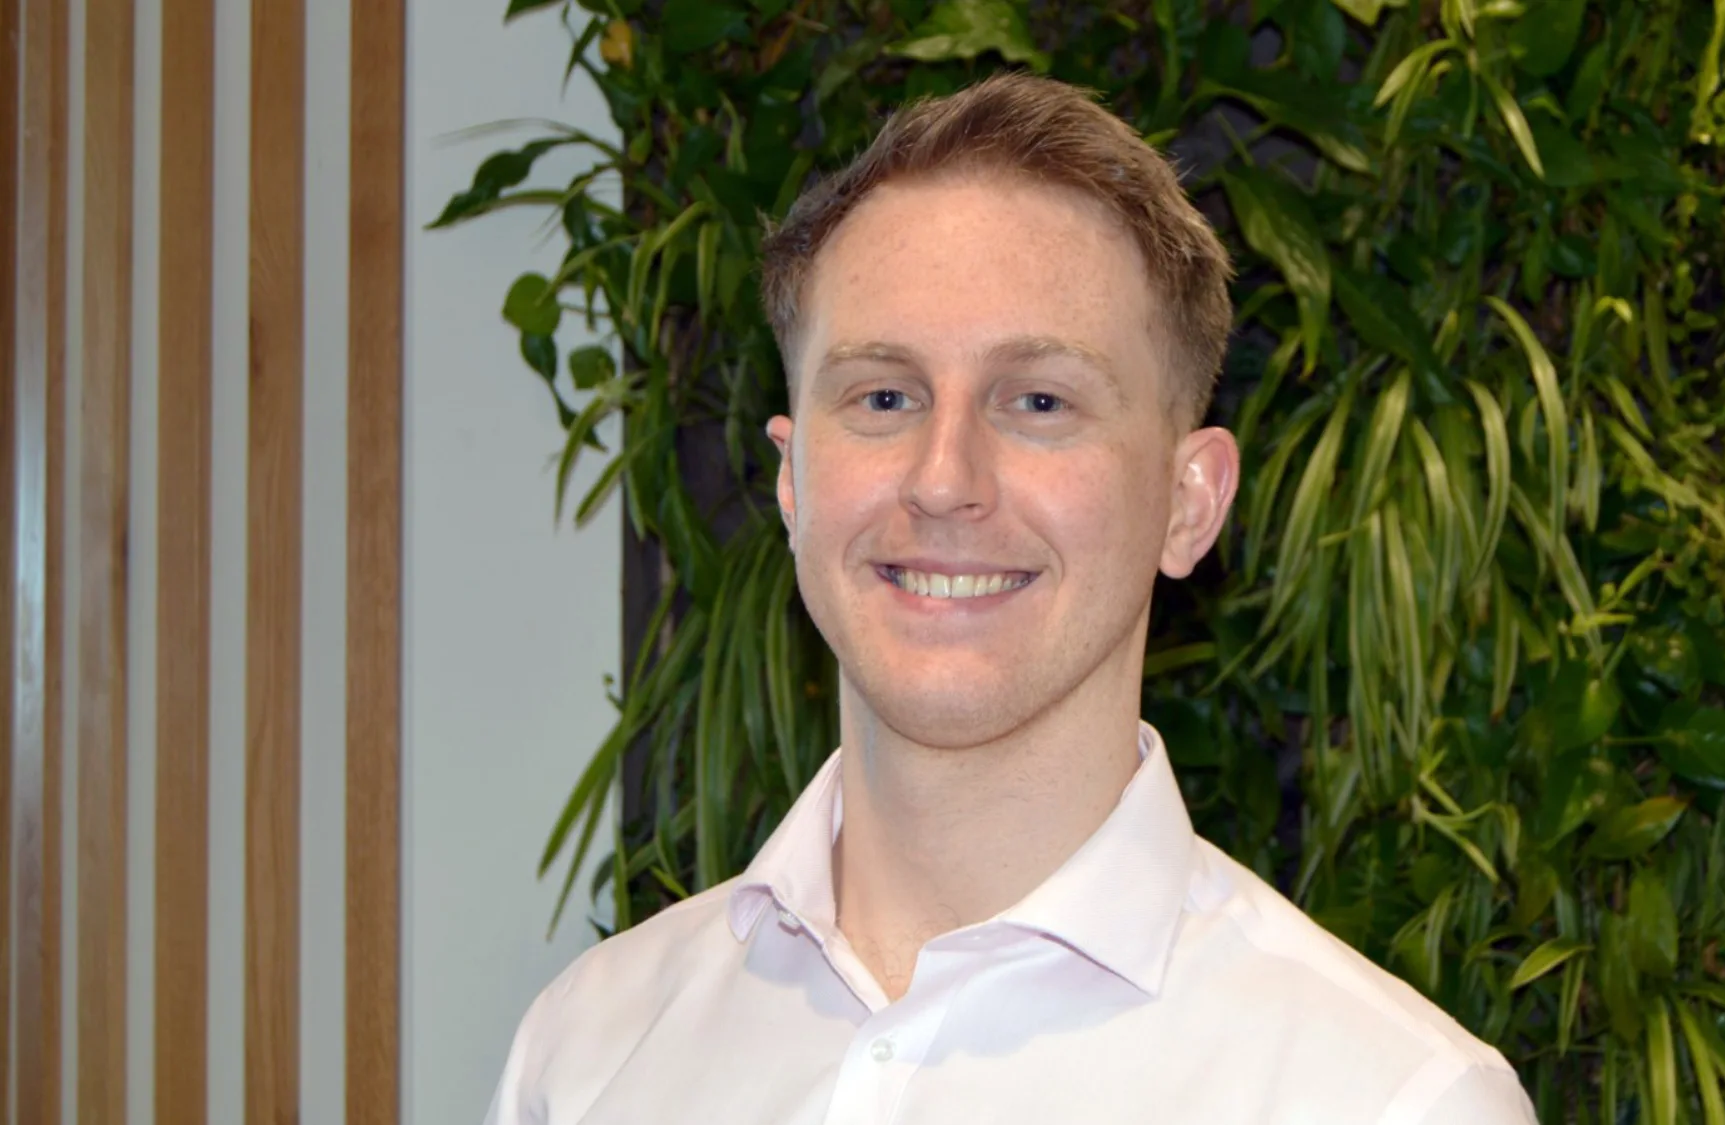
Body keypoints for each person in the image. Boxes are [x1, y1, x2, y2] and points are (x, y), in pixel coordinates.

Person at [483, 71, 1536, 1125]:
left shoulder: (1387, 1097)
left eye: (1037, 401)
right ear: (792, 480)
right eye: (884, 396)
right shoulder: (587, 1048)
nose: (943, 479)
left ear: (1186, 502)